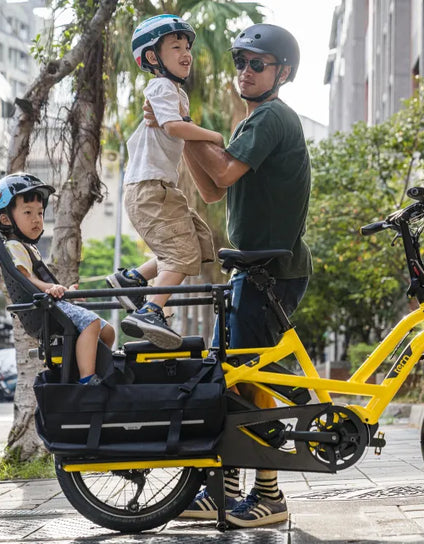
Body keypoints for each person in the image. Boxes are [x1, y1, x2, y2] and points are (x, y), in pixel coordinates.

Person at [174, 23, 312, 528]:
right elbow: (213, 191)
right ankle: (225, 490)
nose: (245, 73)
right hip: (255, 272)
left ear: (283, 73)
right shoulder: (252, 122)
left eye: (258, 64)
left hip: (270, 272)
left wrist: (188, 129)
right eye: (241, 63)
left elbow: (225, 172)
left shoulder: (271, 116)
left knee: (251, 383)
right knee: (235, 380)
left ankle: (270, 494)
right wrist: (184, 133)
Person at [105, 14, 222, 350]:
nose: (186, 53)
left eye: (187, 47)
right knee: (179, 253)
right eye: (176, 47)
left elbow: (174, 124)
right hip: (149, 188)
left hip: (160, 187)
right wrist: (216, 137)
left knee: (197, 244)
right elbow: (173, 127)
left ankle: (133, 279)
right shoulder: (160, 86)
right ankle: (151, 310)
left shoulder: (173, 92)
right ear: (154, 57)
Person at [0, 173, 115, 385]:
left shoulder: (29, 248)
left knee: (107, 331)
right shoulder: (14, 247)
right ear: (5, 219)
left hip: (51, 303)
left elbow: (38, 279)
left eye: (40, 213)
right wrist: (50, 288)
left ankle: (92, 367)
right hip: (44, 309)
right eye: (28, 212)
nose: (36, 219)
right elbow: (26, 278)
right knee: (91, 323)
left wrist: (63, 290)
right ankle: (86, 378)